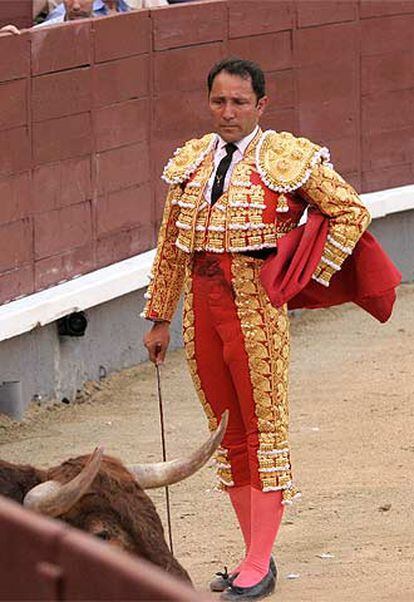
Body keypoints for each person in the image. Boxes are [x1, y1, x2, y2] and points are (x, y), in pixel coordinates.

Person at [142, 57, 372, 600]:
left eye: (239, 102)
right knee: (228, 433)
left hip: (254, 305)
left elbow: (350, 211)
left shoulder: (286, 157)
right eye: (219, 101)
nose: (228, 112)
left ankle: (257, 561)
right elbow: (171, 245)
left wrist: (300, 278)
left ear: (261, 105)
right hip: (201, 308)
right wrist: (159, 316)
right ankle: (254, 558)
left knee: (262, 430)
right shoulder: (191, 162)